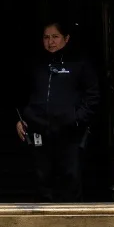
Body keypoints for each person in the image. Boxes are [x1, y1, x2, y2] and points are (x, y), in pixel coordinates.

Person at [16, 20, 100, 204]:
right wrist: (21, 119)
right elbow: (22, 95)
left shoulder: (79, 63)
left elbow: (93, 96)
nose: (51, 42)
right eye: (46, 37)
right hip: (39, 132)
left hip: (69, 133)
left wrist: (77, 118)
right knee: (41, 180)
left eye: (55, 37)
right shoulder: (35, 64)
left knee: (70, 179)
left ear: (66, 38)